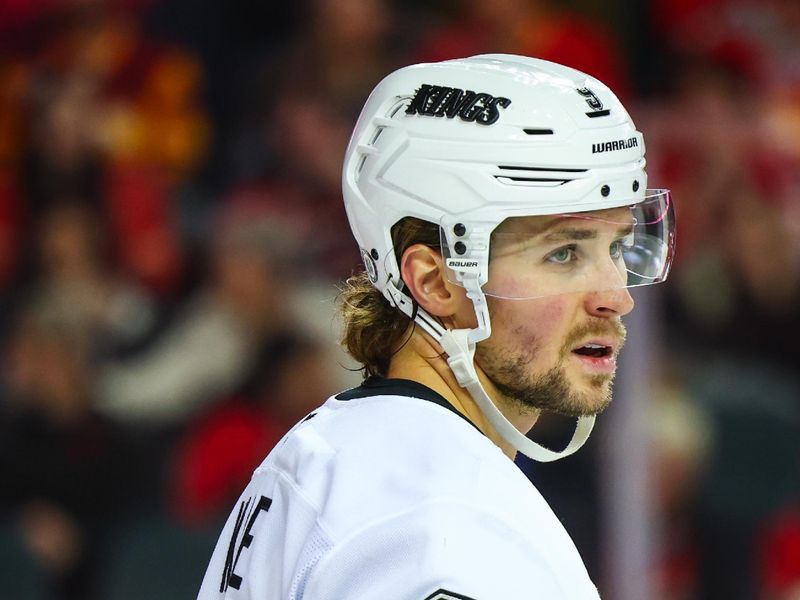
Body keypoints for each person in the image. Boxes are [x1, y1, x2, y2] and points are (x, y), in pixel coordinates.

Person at [196, 54, 676, 599]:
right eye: (564, 253)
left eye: (615, 247)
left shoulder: (331, 454)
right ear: (437, 282)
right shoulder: (446, 524)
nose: (616, 298)